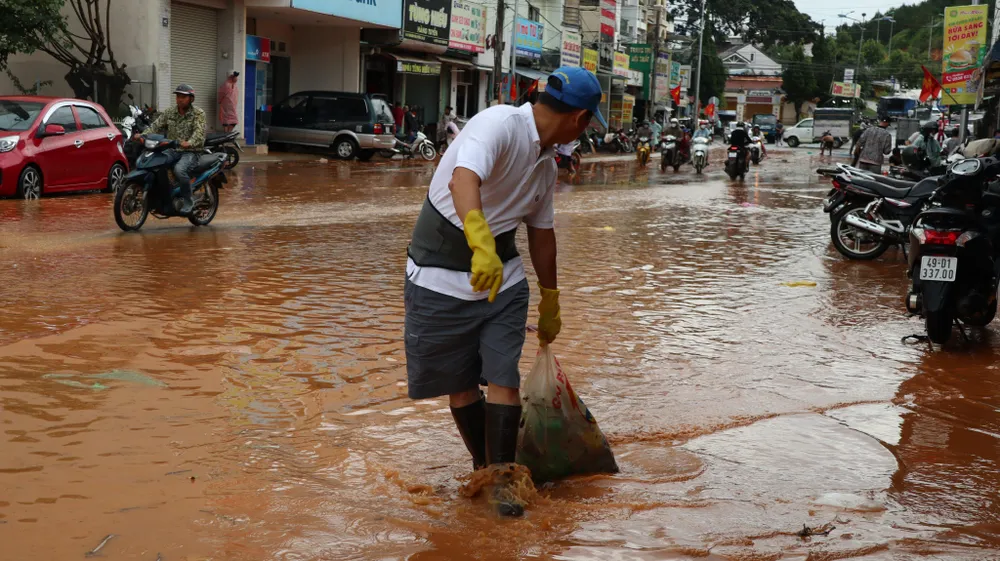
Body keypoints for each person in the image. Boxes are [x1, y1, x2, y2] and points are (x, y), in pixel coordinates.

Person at [403, 66, 602, 517]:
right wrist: (479, 242)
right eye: (590, 123)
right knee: (459, 384)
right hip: (439, 273)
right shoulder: (497, 123)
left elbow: (542, 233)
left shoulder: (545, 166)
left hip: (504, 279)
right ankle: (484, 470)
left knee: (503, 377)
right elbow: (462, 178)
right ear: (581, 119)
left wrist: (551, 298)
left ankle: (505, 480)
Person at [141, 84, 206, 214]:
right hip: (173, 149)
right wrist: (143, 135)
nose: (180, 99)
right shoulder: (170, 112)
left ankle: (188, 200)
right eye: (178, 96)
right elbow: (156, 125)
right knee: (155, 163)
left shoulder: (198, 113)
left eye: (183, 97)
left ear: (191, 99)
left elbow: (199, 133)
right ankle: (162, 197)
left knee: (179, 169)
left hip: (191, 152)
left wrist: (190, 143)